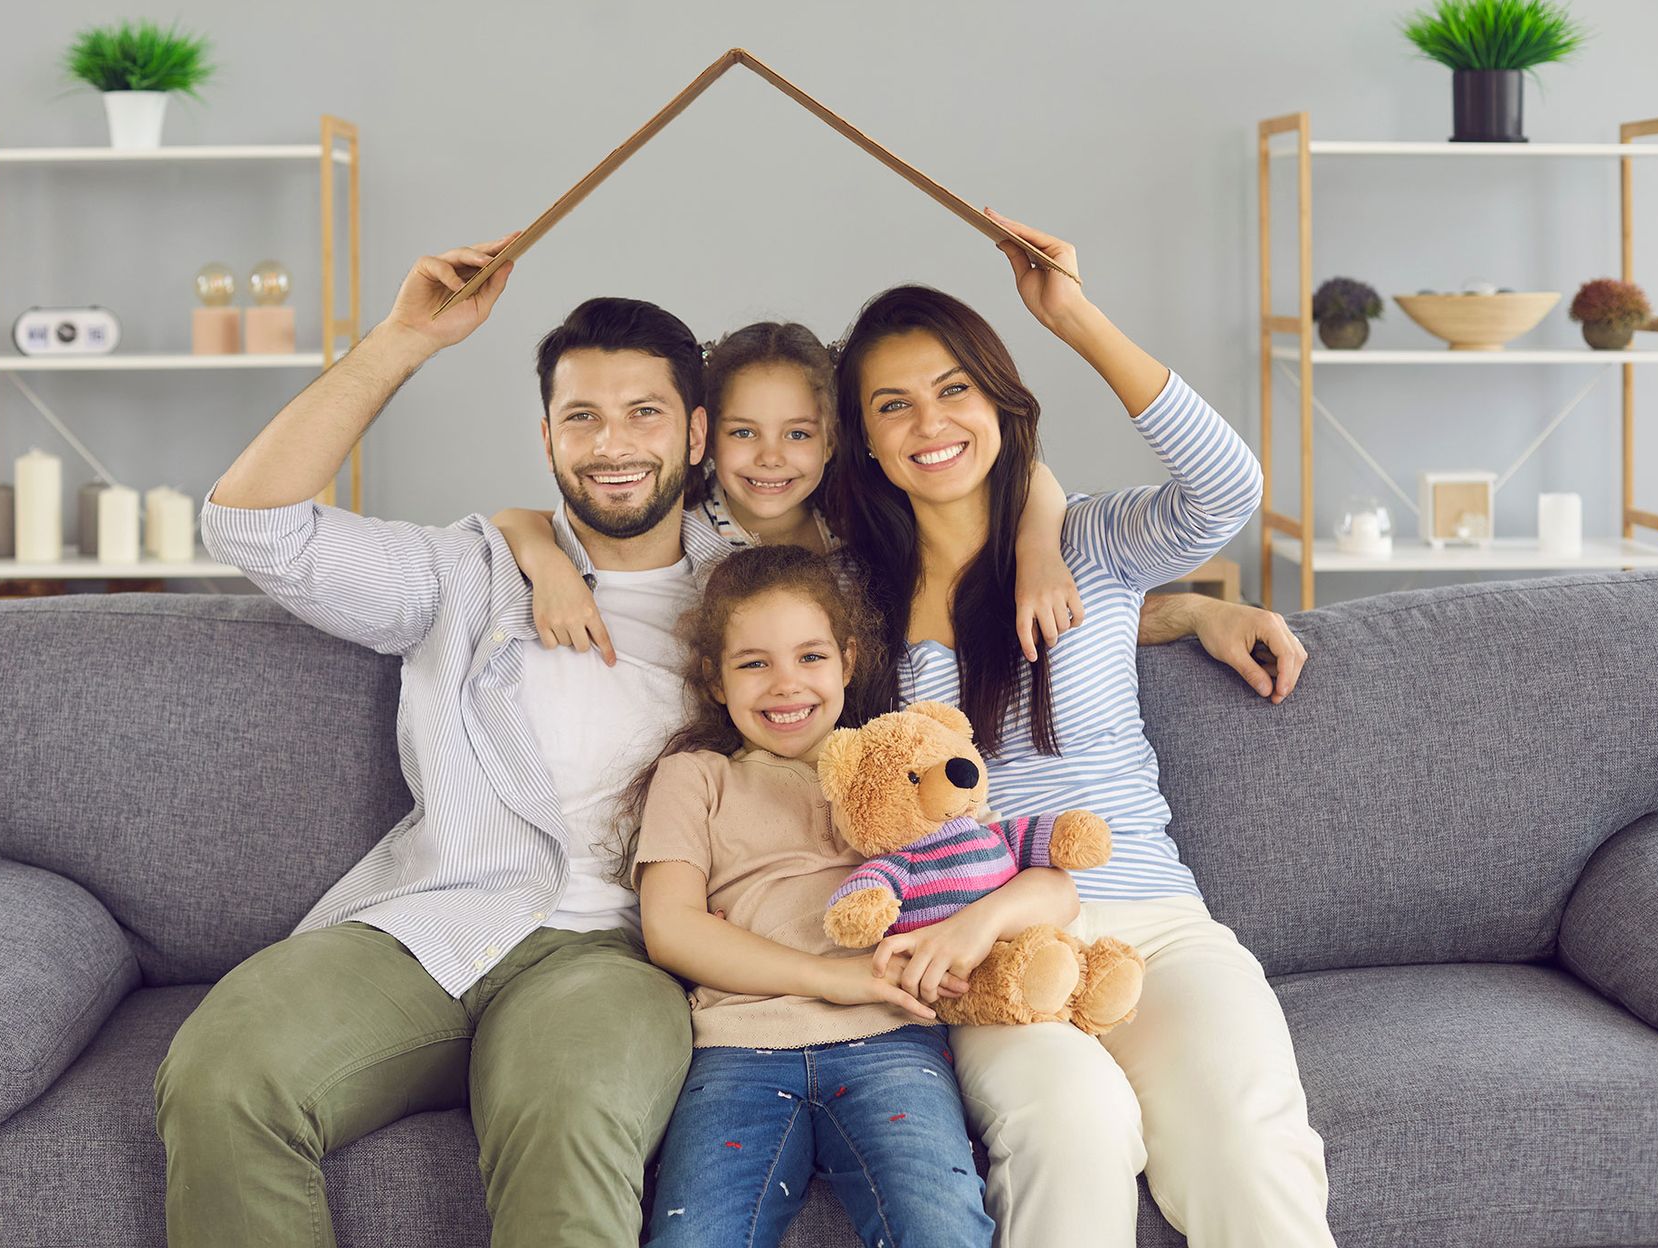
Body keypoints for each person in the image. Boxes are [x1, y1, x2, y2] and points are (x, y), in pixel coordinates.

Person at [152, 228, 1310, 1246]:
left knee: (1239, 1146)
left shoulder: (799, 599)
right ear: (548, 433)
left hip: (688, 946)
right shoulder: (510, 570)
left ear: (691, 433)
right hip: (473, 915)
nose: (615, 443)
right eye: (583, 417)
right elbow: (257, 524)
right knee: (220, 1073)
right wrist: (428, 377)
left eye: (646, 413)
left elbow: (1067, 553)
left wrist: (1193, 605)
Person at [827, 207, 1329, 1247]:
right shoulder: (851, 604)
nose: (931, 423)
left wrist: (1073, 313)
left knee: (1245, 1139)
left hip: (1154, 914)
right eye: (895, 406)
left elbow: (1228, 488)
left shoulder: (1091, 544)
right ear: (867, 440)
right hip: (986, 946)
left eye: (954, 389)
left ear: (1000, 400)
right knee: (1075, 1125)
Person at [634, 544, 1036, 1246]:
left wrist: (981, 922)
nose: (786, 685)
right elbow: (672, 929)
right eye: (754, 663)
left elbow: (1025, 873)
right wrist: (832, 977)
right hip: (737, 1050)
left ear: (849, 662)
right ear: (716, 680)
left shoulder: (905, 771)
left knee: (942, 1226)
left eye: (810, 657)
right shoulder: (695, 778)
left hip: (890, 1042)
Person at [498, 319, 1087, 667]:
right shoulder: (681, 530)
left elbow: (1027, 475)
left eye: (798, 434)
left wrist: (1039, 550)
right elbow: (516, 521)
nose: (771, 457)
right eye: (743, 432)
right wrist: (550, 566)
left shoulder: (861, 526)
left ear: (832, 441)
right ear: (703, 435)